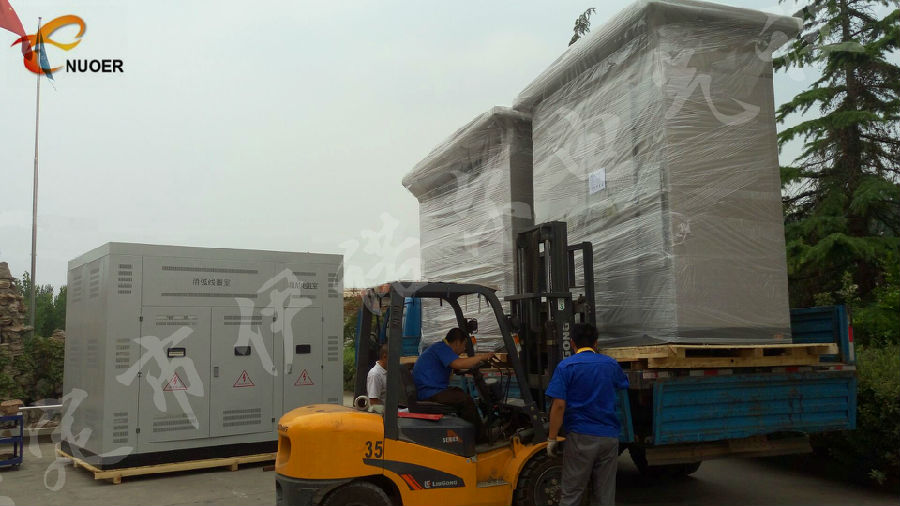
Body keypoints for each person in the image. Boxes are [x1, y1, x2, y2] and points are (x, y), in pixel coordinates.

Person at [545, 323, 630, 506]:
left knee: (572, 494)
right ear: (596, 342)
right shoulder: (610, 364)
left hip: (580, 437)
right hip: (608, 437)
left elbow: (558, 405)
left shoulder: (566, 367)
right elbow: (623, 384)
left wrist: (552, 438)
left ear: (572, 342)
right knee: (605, 496)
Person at [413, 327, 494, 440]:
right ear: (457, 343)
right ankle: (480, 438)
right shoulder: (442, 348)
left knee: (458, 392)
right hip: (430, 392)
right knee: (465, 400)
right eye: (464, 345)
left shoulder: (440, 348)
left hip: (430, 390)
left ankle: (467, 431)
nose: (464, 349)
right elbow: (458, 364)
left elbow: (457, 366)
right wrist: (481, 357)